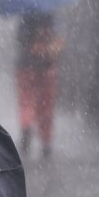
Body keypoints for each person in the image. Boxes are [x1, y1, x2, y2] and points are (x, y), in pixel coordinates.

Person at [15, 12, 64, 159]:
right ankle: (46, 141)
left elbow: (19, 40)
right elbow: (60, 42)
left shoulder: (25, 19)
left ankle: (27, 124)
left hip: (25, 67)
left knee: (26, 100)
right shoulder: (52, 19)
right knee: (46, 105)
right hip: (47, 68)